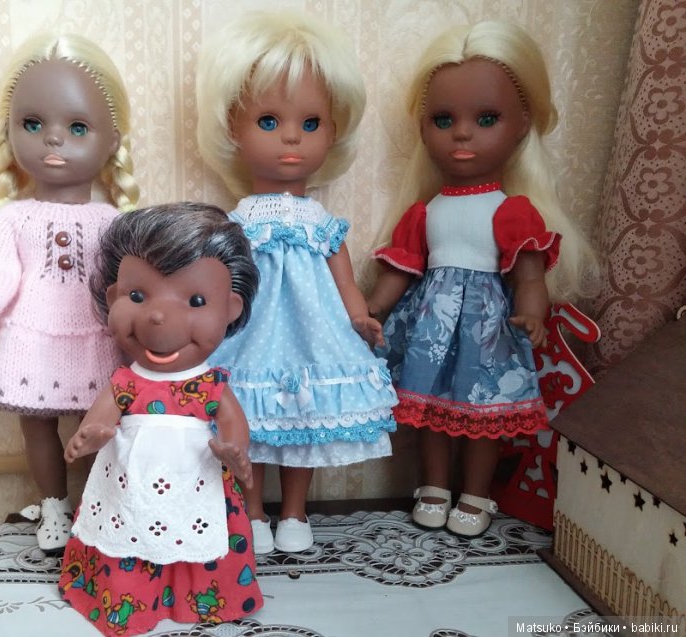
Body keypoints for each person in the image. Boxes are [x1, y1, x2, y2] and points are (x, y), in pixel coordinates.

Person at [368, 21, 597, 537]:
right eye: (443, 119)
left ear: (521, 125)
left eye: (486, 118)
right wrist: (372, 310)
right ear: (424, 127)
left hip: (489, 330)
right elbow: (400, 270)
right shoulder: (425, 211)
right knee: (431, 415)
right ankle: (433, 487)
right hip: (431, 331)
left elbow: (528, 274)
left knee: (484, 419)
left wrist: (532, 312)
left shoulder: (511, 210)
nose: (462, 133)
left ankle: (475, 494)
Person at [196, 10, 397, 555]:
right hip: (251, 337)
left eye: (311, 124)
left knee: (304, 425)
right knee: (249, 422)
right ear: (232, 130)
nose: (291, 137)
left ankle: (294, 512)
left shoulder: (322, 223)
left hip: (313, 339)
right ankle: (252, 512)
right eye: (268, 121)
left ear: (333, 132)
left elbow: (344, 279)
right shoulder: (235, 223)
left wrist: (359, 316)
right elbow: (220, 283)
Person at [0, 33, 138, 553]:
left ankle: (99, 507)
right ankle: (54, 505)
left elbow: (137, 281)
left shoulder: (112, 221)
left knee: (101, 424)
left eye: (77, 128)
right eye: (32, 124)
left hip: (96, 337)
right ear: (10, 134)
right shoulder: (14, 217)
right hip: (30, 337)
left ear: (112, 142)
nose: (53, 140)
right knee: (38, 426)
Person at [59, 203, 263, 636]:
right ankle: (131, 599)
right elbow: (101, 417)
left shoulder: (209, 384)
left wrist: (234, 449)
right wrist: (91, 435)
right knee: (127, 532)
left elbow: (233, 423)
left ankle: (198, 599)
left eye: (195, 301)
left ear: (230, 308)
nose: (157, 315)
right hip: (130, 481)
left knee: (200, 537)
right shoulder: (125, 381)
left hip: (196, 480)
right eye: (137, 296)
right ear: (113, 297)